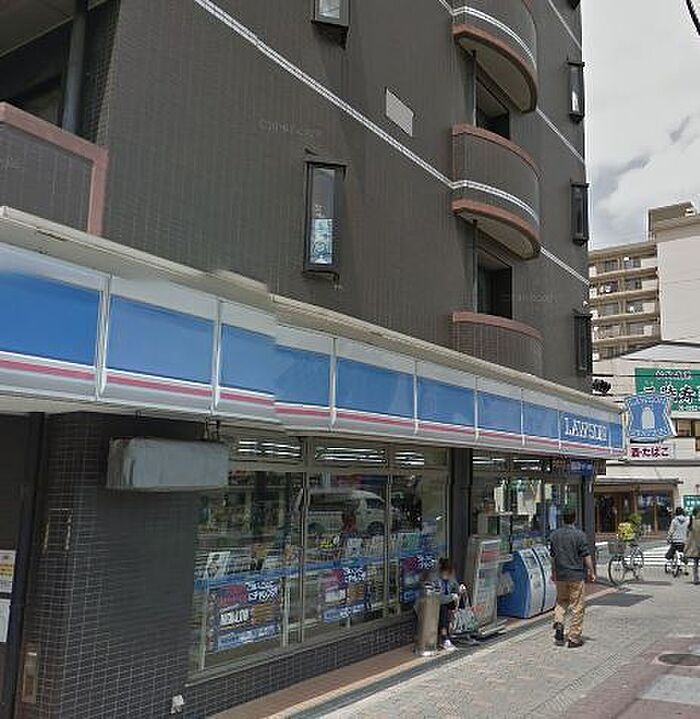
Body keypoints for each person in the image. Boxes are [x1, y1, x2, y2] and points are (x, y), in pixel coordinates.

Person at [549, 510, 595, 648]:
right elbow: (586, 555)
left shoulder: (555, 535)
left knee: (561, 601)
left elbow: (552, 557)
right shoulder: (580, 535)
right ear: (575, 519)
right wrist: (591, 571)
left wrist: (553, 572)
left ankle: (559, 622)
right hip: (576, 575)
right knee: (577, 606)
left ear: (563, 519)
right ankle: (573, 637)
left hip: (561, 575)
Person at [436, 558, 466, 651]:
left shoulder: (451, 578)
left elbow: (456, 588)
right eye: (446, 572)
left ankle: (460, 627)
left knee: (459, 603)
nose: (448, 575)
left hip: (448, 602)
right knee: (443, 610)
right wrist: (451, 597)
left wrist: (460, 589)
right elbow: (439, 598)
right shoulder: (436, 580)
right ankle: (444, 637)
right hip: (436, 605)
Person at [666, 507, 690, 573]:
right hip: (683, 541)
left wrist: (668, 538)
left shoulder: (674, 521)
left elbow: (671, 531)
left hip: (675, 541)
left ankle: (671, 566)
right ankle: (686, 568)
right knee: (684, 554)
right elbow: (688, 530)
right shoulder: (687, 521)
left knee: (671, 552)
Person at [685, 507, 700, 585]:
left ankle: (695, 579)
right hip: (698, 546)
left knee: (695, 563)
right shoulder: (698, 522)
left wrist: (686, 548)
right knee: (695, 563)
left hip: (694, 547)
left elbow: (688, 536)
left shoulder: (691, 522)